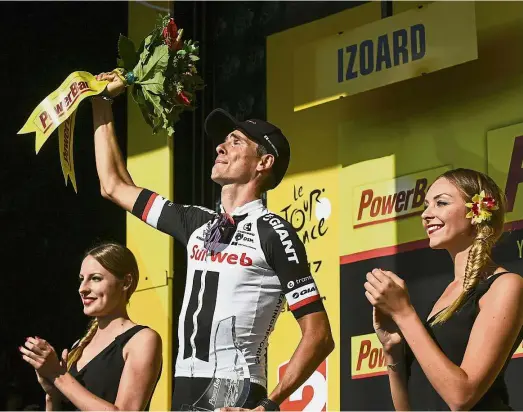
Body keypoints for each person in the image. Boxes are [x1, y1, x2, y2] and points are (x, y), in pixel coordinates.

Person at [90, 72, 335, 411]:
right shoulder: (197, 223)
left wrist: (269, 406)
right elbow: (113, 186)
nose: (220, 146)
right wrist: (100, 102)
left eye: (235, 141)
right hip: (185, 384)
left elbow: (319, 335)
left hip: (234, 388)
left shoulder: (274, 232)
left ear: (264, 163)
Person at [364, 168, 523, 410]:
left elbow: (461, 397)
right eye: (426, 205)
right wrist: (392, 350)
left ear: (476, 212)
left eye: (441, 203)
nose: (426, 214)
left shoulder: (505, 285)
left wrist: (404, 314)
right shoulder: (446, 294)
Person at [19, 242, 163, 411]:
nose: (82, 288)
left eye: (95, 278)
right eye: (81, 279)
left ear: (126, 282)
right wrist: (52, 395)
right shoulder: (79, 346)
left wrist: (57, 375)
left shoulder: (142, 340)